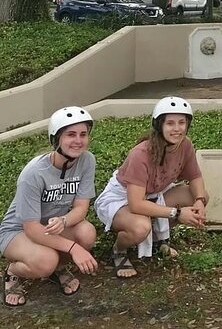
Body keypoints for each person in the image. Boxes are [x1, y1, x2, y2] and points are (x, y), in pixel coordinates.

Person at [95, 96, 208, 278]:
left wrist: (200, 201)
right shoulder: (140, 154)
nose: (177, 128)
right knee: (140, 227)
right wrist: (178, 213)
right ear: (159, 125)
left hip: (154, 194)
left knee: (197, 196)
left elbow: (195, 176)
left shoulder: (185, 145)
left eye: (182, 122)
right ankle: (119, 250)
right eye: (170, 123)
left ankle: (157, 240)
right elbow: (136, 205)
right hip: (122, 199)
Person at [0, 107, 98, 307]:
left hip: (52, 225)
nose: (78, 141)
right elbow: (32, 229)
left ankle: (59, 267)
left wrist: (64, 220)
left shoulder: (87, 160)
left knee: (87, 233)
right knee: (45, 262)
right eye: (71, 134)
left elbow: (81, 208)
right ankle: (13, 272)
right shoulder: (33, 173)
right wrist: (73, 248)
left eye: (83, 134)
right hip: (19, 230)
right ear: (56, 139)